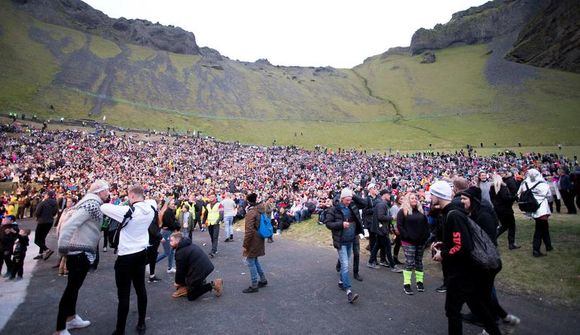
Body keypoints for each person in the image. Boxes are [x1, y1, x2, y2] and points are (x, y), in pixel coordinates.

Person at [429, 180, 501, 335]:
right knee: (478, 308)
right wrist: (444, 244)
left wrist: (444, 254)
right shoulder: (453, 212)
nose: (430, 196)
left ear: (437, 195)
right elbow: (459, 240)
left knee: (453, 311)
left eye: (432, 193)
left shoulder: (453, 214)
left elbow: (463, 246)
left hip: (459, 273)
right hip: (465, 272)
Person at [458, 187, 520, 335]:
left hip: (486, 263)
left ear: (473, 200)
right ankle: (507, 319)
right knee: (483, 296)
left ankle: (490, 329)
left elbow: (488, 241)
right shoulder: (473, 213)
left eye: (464, 199)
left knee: (482, 297)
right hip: (479, 261)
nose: (461, 202)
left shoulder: (483, 215)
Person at [54, 180, 109, 335]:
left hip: (81, 251)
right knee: (71, 290)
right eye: (106, 190)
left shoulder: (90, 202)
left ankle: (71, 318)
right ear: (100, 191)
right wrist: (63, 248)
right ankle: (60, 328)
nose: (108, 193)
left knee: (74, 288)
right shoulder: (91, 204)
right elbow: (69, 225)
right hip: (78, 252)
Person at [101, 184, 155, 335]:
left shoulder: (128, 210)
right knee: (140, 289)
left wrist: (125, 203)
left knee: (124, 294)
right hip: (141, 253)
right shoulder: (150, 209)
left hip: (126, 256)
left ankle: (120, 330)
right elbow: (152, 202)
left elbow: (104, 208)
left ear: (131, 196)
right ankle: (141, 322)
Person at [325, 188, 363, 304]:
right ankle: (349, 292)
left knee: (344, 264)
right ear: (342, 199)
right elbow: (328, 224)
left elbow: (364, 204)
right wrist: (341, 224)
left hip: (351, 240)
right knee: (345, 266)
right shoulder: (334, 209)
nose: (349, 201)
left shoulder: (352, 206)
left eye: (350, 199)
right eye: (347, 200)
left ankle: (341, 282)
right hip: (341, 242)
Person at [171, 231, 223, 300]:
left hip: (200, 270)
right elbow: (183, 269)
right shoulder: (186, 244)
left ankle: (214, 284)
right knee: (187, 280)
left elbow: (180, 271)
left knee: (191, 296)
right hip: (202, 267)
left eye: (171, 241)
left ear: (177, 241)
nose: (169, 243)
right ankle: (192, 285)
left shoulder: (181, 252)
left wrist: (178, 282)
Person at [397, 192, 429, 295]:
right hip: (408, 241)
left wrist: (426, 236)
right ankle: (407, 283)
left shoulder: (421, 212)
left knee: (419, 261)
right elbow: (400, 226)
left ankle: (420, 282)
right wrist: (407, 236)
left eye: (415, 198)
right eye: (412, 198)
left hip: (421, 241)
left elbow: (426, 225)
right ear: (408, 200)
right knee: (409, 262)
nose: (414, 199)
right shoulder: (403, 212)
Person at [518, 169, 553, 257]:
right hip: (542, 208)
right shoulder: (543, 184)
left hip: (532, 207)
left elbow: (519, 194)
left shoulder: (524, 183)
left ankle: (548, 245)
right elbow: (549, 196)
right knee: (539, 229)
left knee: (544, 226)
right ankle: (536, 250)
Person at [369, 189, 402, 272]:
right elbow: (380, 216)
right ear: (384, 195)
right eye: (388, 194)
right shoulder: (381, 204)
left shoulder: (383, 203)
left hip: (381, 229)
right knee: (387, 247)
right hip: (381, 229)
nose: (389, 196)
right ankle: (393, 266)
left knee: (377, 246)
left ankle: (370, 262)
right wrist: (392, 218)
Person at [242, 193, 269, 293]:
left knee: (250, 261)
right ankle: (263, 279)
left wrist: (245, 245)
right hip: (259, 238)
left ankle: (254, 285)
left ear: (248, 202)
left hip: (253, 239)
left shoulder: (251, 213)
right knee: (255, 260)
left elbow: (249, 231)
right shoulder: (260, 210)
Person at [490, 174, 520, 250]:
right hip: (506, 210)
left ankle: (492, 238)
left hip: (498, 210)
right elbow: (506, 199)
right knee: (511, 226)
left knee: (504, 226)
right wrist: (514, 197)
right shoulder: (502, 187)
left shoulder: (492, 188)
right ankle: (511, 244)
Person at [34, 190, 58, 260]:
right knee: (42, 238)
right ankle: (40, 253)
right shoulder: (55, 203)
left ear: (47, 196)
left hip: (42, 222)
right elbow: (54, 213)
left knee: (37, 240)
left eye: (45, 195)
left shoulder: (43, 203)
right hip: (50, 222)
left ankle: (47, 250)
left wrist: (38, 217)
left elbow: (37, 212)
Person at [157, 198, 178, 272]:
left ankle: (169, 267)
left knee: (171, 251)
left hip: (169, 232)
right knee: (167, 252)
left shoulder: (169, 211)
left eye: (174, 203)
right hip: (166, 232)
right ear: (168, 204)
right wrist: (177, 225)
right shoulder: (167, 212)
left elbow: (172, 223)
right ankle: (151, 262)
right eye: (172, 204)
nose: (174, 205)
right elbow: (171, 224)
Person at [203, 194, 222, 258]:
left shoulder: (219, 204)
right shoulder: (208, 205)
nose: (211, 198)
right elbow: (205, 214)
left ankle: (213, 251)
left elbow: (221, 213)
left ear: (215, 198)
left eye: (212, 197)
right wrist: (203, 222)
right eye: (210, 197)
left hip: (216, 223)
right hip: (210, 223)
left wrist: (219, 220)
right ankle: (214, 248)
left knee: (215, 237)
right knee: (212, 237)